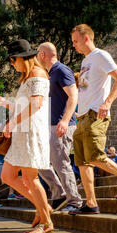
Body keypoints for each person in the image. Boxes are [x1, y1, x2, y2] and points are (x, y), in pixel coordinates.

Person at [69, 24, 117, 215]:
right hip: (82, 116)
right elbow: (85, 90)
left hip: (95, 115)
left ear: (86, 38)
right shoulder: (86, 62)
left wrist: (107, 102)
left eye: (75, 41)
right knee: (82, 162)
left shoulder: (101, 55)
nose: (74, 45)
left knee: (95, 156)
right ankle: (91, 203)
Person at [0, 39, 53, 233]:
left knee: (30, 178)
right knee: (8, 176)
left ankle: (46, 221)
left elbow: (36, 105)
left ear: (22, 58)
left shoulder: (37, 75)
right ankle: (44, 209)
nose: (11, 64)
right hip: (22, 133)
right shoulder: (28, 77)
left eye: (12, 60)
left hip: (30, 133)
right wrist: (4, 103)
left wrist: (11, 123)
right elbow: (25, 106)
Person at [36, 42, 83, 214]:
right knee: (40, 161)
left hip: (61, 125)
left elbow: (73, 95)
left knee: (61, 163)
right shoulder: (50, 74)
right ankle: (59, 193)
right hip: (49, 125)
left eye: (37, 55)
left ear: (42, 55)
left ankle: (75, 200)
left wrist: (64, 120)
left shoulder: (62, 70)